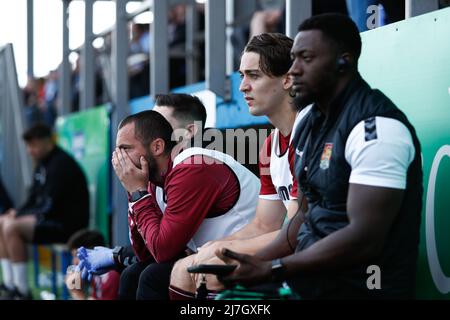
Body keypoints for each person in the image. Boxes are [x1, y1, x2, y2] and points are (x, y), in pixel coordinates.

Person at [212, 13, 423, 299]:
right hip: (311, 281)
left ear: (343, 62)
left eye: (306, 59)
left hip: (359, 289)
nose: (294, 70)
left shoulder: (377, 127)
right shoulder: (312, 124)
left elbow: (365, 240)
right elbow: (302, 219)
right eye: (294, 58)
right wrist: (255, 261)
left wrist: (274, 268)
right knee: (221, 298)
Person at [169, 33, 312, 299]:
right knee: (184, 268)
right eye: (241, 75)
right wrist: (218, 245)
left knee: (213, 266)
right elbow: (263, 225)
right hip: (291, 244)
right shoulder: (270, 144)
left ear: (287, 79)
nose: (242, 86)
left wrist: (224, 252)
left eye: (253, 76)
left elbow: (295, 233)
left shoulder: (309, 133)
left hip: (313, 259)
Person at [76, 94, 208, 283]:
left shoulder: (195, 165)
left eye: (161, 122)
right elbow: (146, 253)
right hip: (205, 260)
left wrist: (138, 193)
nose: (153, 128)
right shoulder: (160, 174)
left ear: (188, 132)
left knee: (151, 276)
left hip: (238, 261)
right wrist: (134, 190)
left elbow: (163, 250)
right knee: (136, 273)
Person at [0, 124, 89, 299]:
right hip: (52, 219)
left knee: (12, 228)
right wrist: (16, 212)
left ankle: (22, 291)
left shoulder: (61, 164)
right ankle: (11, 284)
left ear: (46, 141)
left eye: (32, 145)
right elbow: (33, 199)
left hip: (68, 226)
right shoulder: (42, 164)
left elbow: (49, 206)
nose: (29, 151)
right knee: (2, 221)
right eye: (28, 146)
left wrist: (18, 216)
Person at [65, 229, 119, 300]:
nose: (74, 262)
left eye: (76, 255)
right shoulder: (96, 276)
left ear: (91, 253)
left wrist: (76, 292)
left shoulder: (112, 275)